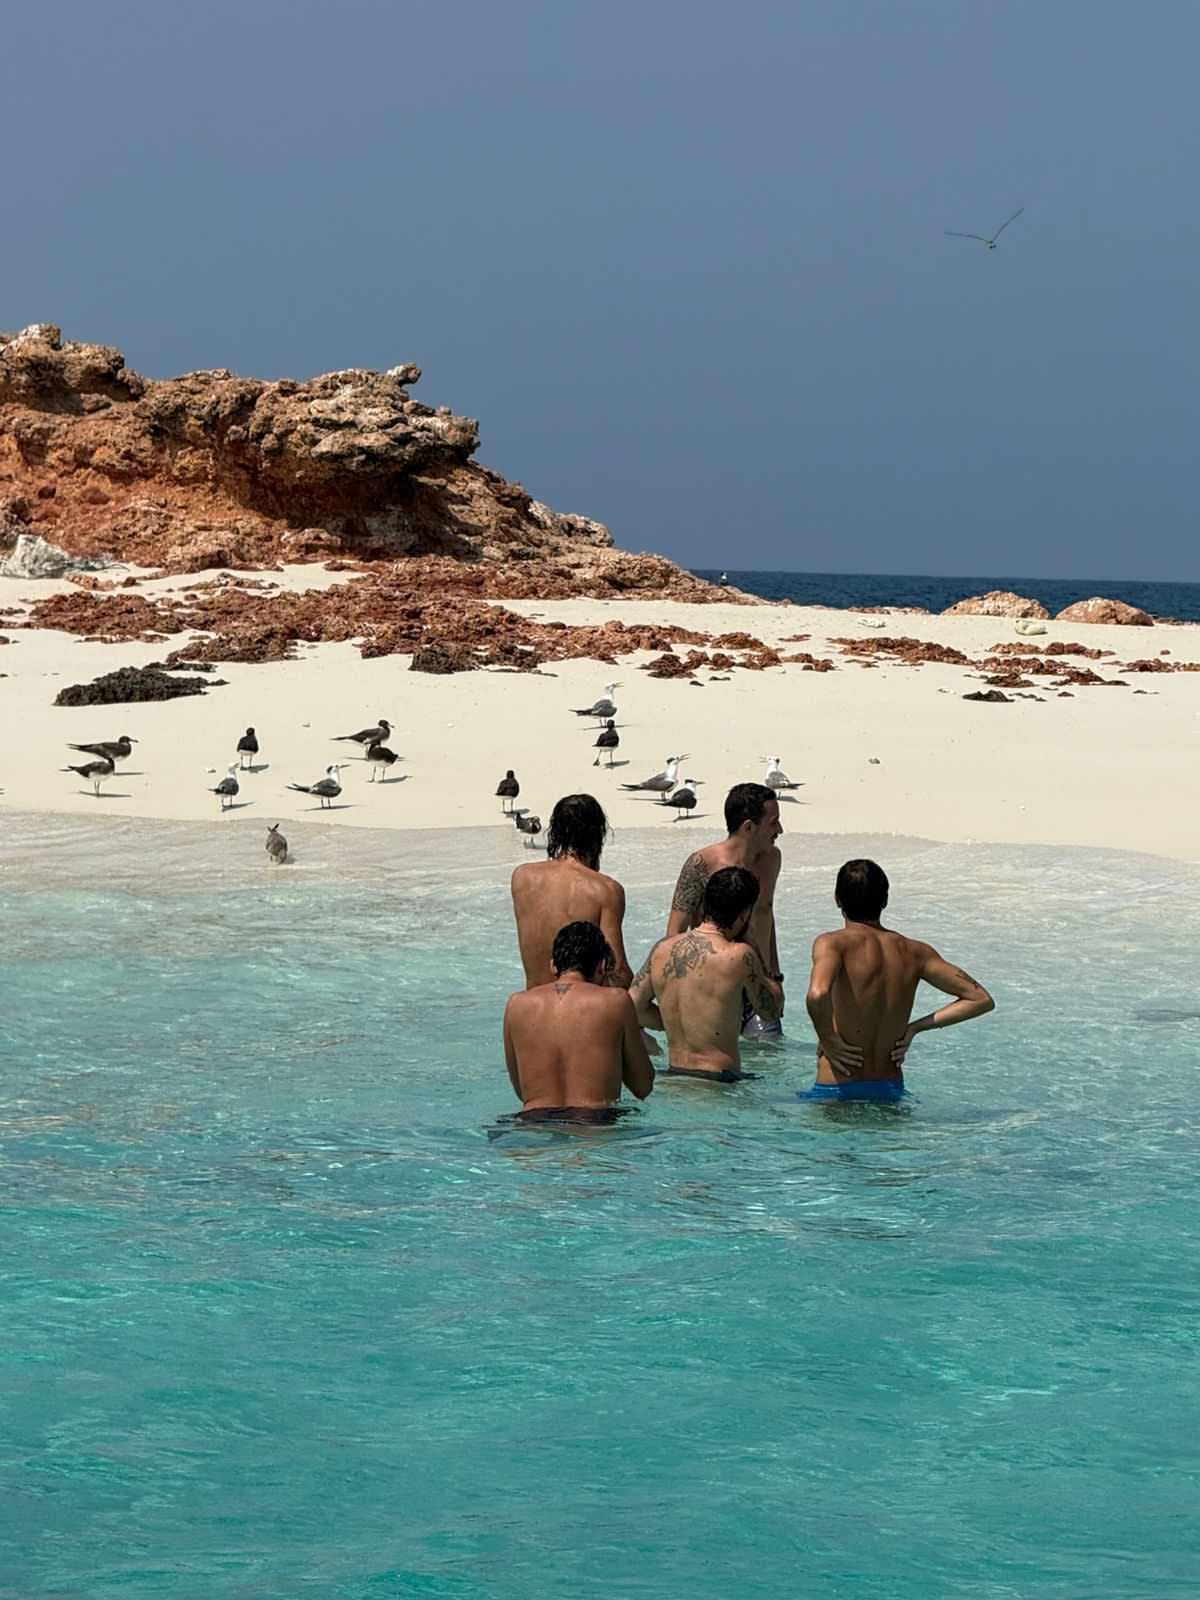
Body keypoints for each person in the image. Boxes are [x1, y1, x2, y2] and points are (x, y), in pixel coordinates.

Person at [803, 859, 995, 1102]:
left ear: (837, 899)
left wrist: (828, 1037)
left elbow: (817, 994)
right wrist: (914, 1028)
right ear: (885, 900)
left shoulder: (832, 943)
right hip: (889, 1085)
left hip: (837, 1085)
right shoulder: (915, 952)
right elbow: (981, 999)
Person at [632, 866, 783, 1082]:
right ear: (744, 914)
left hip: (674, 1078)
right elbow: (771, 1011)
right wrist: (762, 960)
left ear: (705, 903)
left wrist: (678, 1024)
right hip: (719, 1081)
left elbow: (633, 1007)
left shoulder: (662, 949)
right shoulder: (740, 955)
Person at [503, 921, 653, 1122]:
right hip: (595, 1124)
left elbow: (522, 1092)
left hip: (532, 1124)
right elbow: (643, 1087)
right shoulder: (616, 1001)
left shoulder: (516, 1005)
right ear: (602, 966)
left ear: (553, 966)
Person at [665, 782, 784, 1036]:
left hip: (758, 986)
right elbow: (674, 934)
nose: (780, 830)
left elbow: (766, 915)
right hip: (712, 986)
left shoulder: (772, 860)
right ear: (749, 827)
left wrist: (775, 976)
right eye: (773, 823)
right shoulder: (701, 864)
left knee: (769, 1055)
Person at [510, 794, 634, 990]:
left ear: (555, 832)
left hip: (535, 1004)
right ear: (597, 835)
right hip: (583, 1006)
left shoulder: (522, 878)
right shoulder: (606, 890)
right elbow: (618, 974)